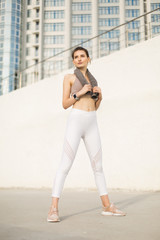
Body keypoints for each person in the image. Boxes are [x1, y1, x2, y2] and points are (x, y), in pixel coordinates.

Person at [47, 47, 126, 222]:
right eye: (76, 57)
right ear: (73, 61)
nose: (79, 59)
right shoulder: (69, 78)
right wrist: (80, 93)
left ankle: (107, 206)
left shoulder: (93, 80)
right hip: (76, 120)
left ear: (89, 59)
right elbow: (65, 104)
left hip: (92, 121)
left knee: (98, 167)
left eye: (82, 56)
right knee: (65, 165)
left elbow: (95, 107)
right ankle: (53, 209)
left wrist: (100, 97)